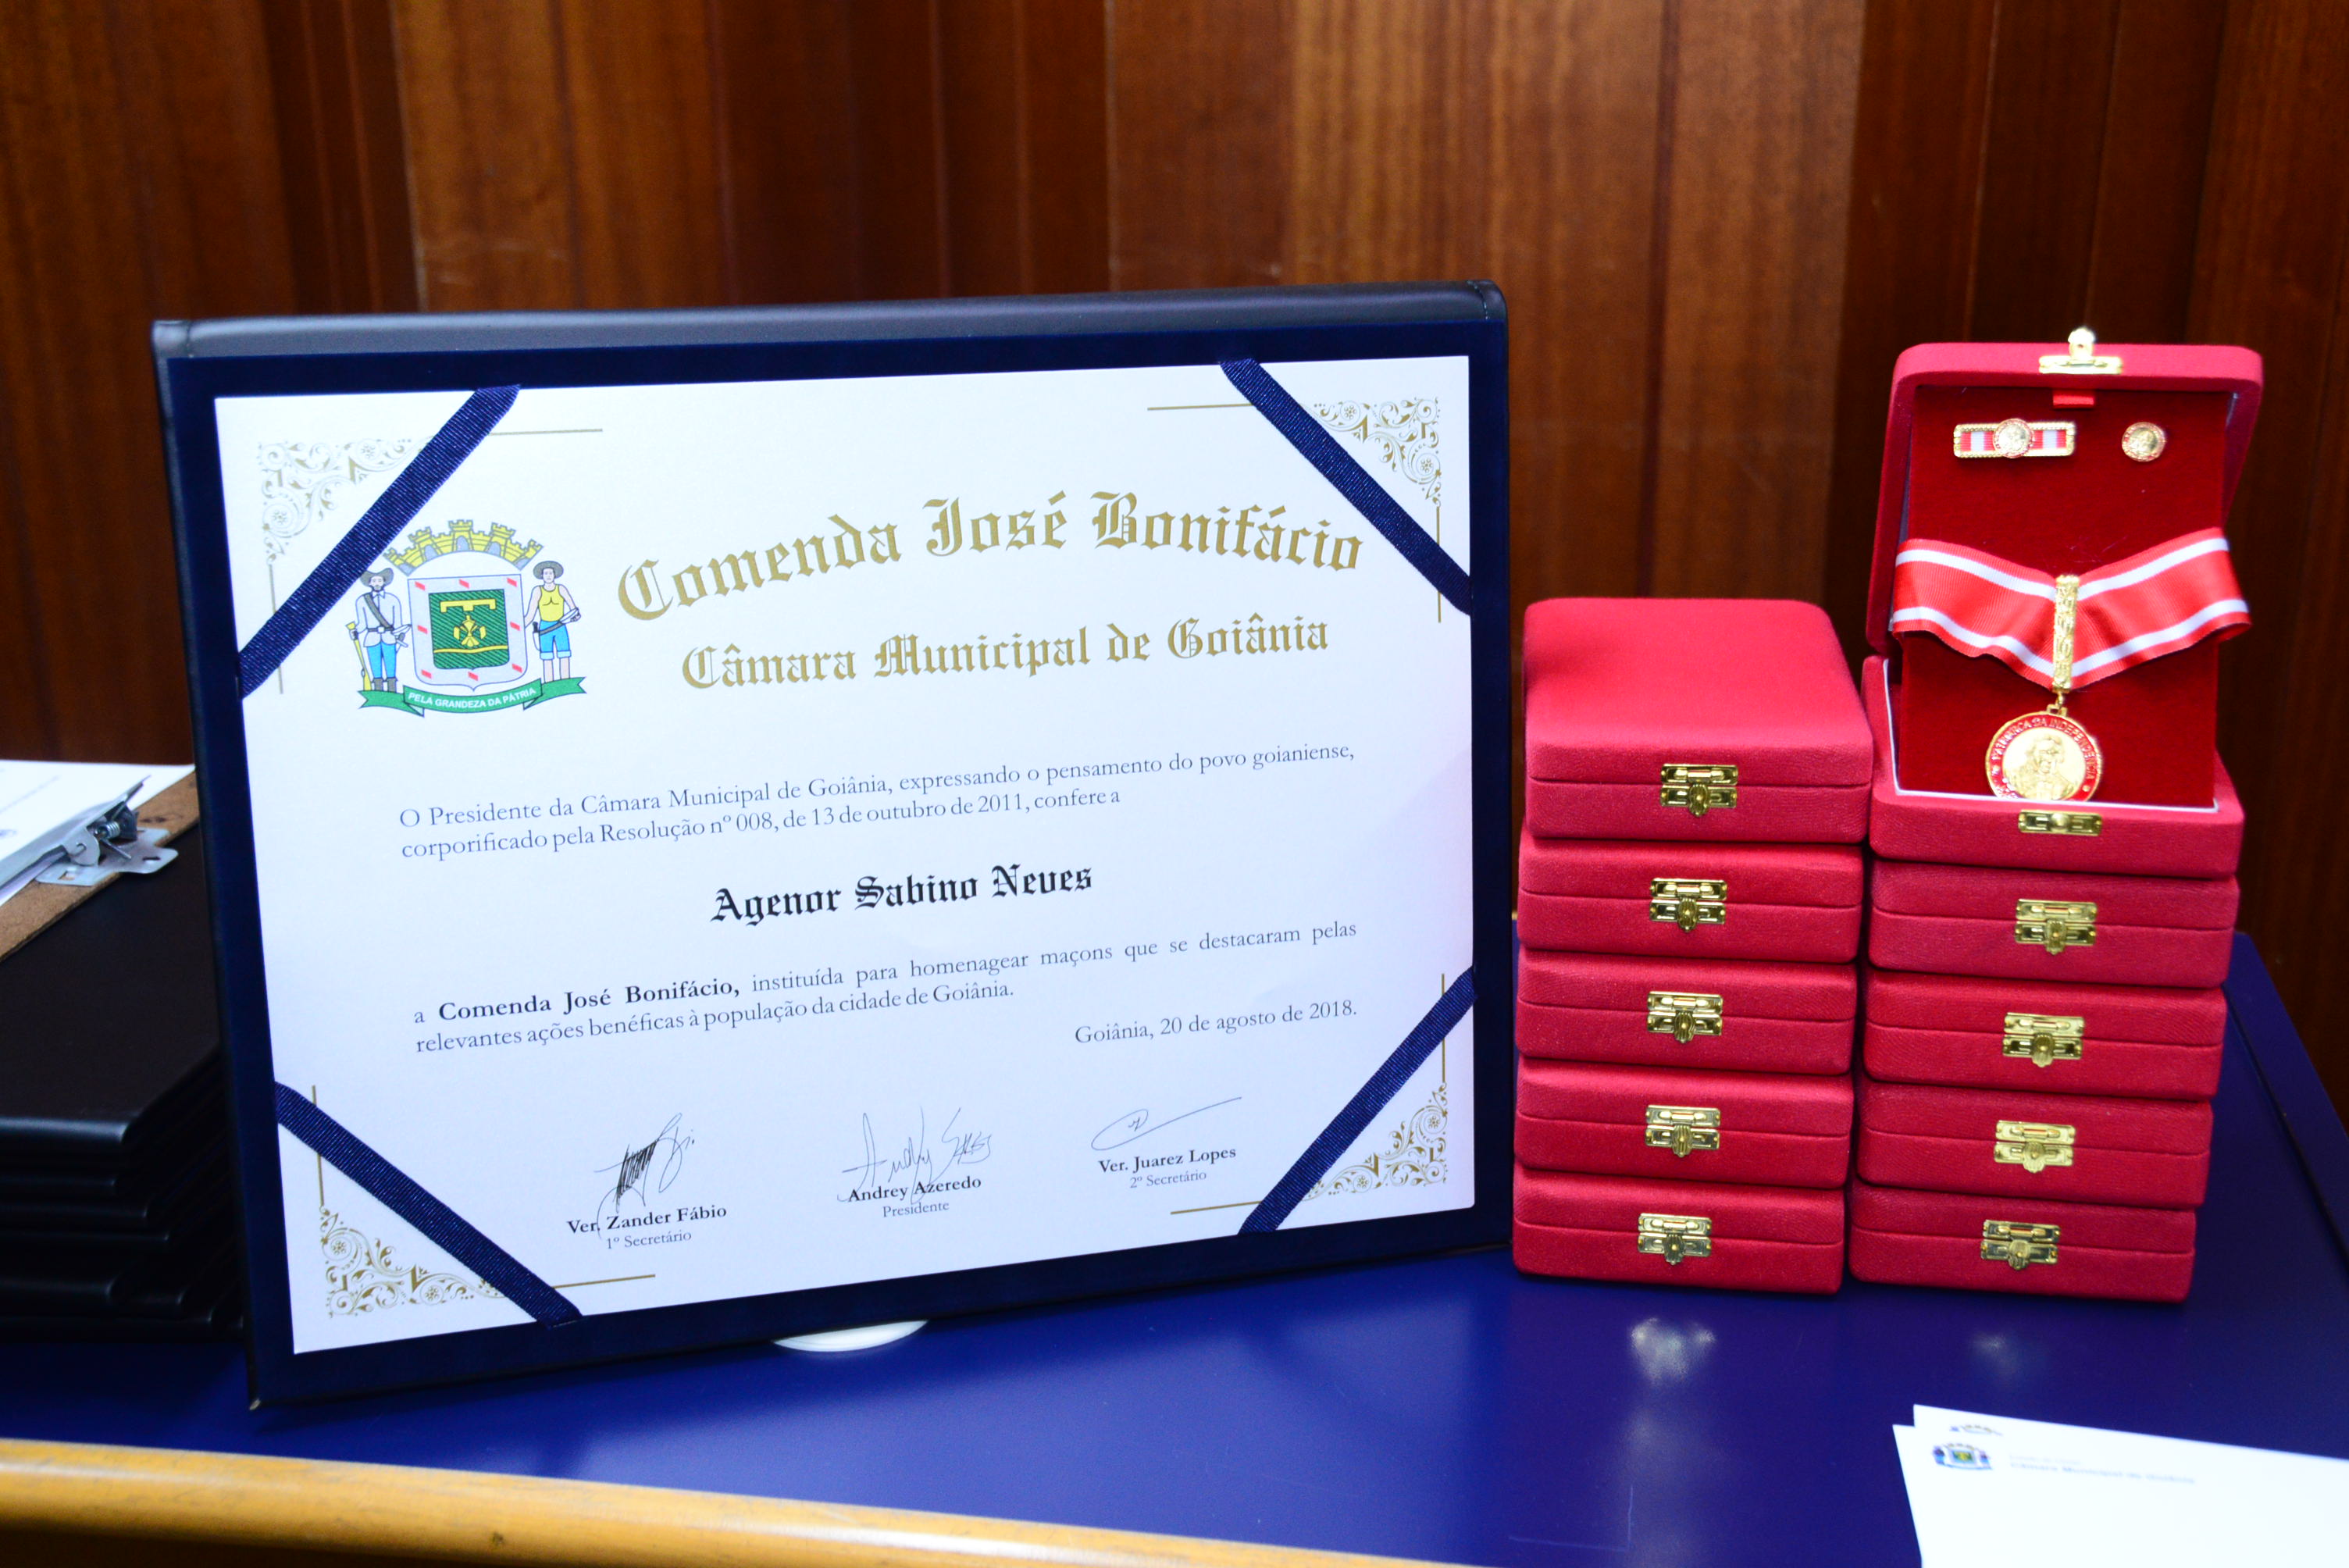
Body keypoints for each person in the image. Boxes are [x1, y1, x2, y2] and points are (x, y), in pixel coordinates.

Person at [351, 568, 405, 691]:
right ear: (369, 583)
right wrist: (355, 631)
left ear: (384, 582)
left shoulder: (393, 600)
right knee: (375, 667)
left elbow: (398, 622)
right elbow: (362, 624)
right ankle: (378, 691)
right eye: (374, 581)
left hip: (389, 637)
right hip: (372, 638)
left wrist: (401, 633)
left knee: (391, 667)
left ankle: (392, 691)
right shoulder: (362, 601)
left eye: (379, 580)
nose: (377, 583)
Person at [531, 560, 580, 682]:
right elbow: (530, 614)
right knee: (547, 658)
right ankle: (549, 684)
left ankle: (566, 683)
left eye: (551, 573)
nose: (548, 576)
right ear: (542, 576)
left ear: (554, 575)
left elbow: (573, 608)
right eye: (546, 573)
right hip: (544, 627)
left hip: (560, 626)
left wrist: (575, 616)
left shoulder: (561, 589)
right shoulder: (538, 591)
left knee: (564, 655)